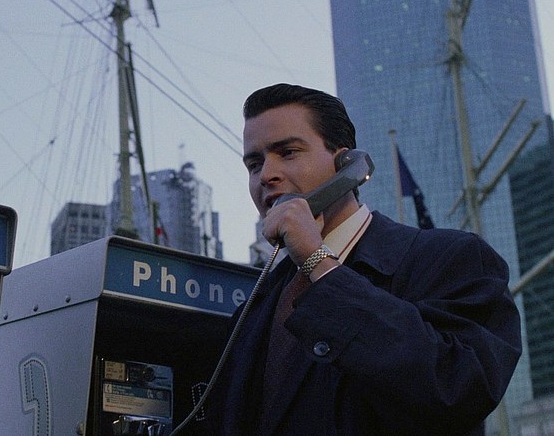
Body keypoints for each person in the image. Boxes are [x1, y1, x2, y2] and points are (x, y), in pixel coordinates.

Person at [208, 83, 521, 435]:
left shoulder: (450, 259)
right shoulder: (255, 306)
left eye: (288, 152)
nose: (266, 175)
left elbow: (459, 389)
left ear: (346, 165)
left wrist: (318, 263)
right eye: (254, 164)